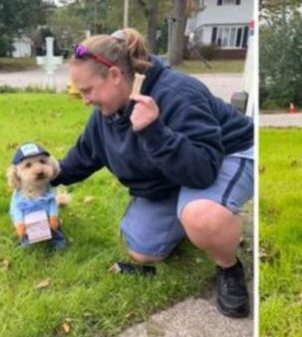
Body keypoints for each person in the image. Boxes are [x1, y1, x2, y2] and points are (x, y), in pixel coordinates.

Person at [51, 28, 254, 318]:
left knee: (203, 216)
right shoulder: (105, 115)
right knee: (144, 250)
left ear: (114, 76)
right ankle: (193, 219)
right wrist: (45, 177)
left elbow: (204, 170)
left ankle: (228, 266)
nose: (84, 100)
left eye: (87, 90)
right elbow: (83, 157)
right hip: (181, 168)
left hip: (228, 154)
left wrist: (155, 133)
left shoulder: (177, 93)